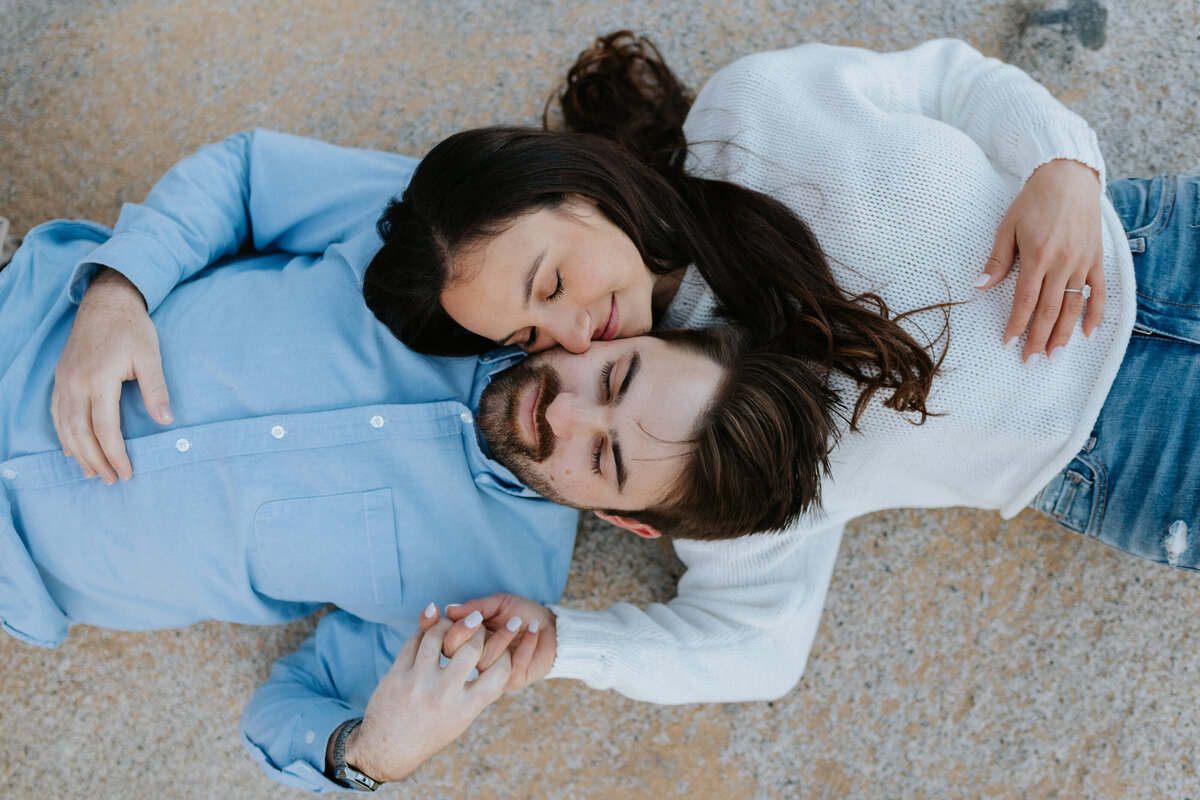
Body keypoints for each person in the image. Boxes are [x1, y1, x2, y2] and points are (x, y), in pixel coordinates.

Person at [360, 31, 1198, 714]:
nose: (575, 333)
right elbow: (753, 647)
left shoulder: (751, 110)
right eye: (529, 334)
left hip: (1154, 238)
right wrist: (568, 644)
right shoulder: (689, 429)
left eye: (550, 283)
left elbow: (950, 80)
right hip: (1134, 460)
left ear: (572, 183)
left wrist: (1059, 165)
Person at [0, 130, 824, 791]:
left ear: (620, 520)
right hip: (23, 314)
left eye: (603, 456)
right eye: (614, 375)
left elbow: (286, 711)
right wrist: (119, 290)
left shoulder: (483, 600)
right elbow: (249, 177)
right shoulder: (468, 255)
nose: (566, 409)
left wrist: (373, 752)